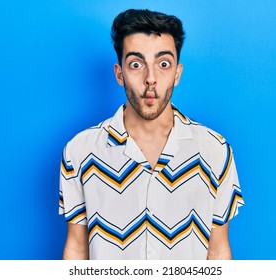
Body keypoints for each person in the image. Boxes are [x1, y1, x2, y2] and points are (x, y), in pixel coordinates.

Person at [59, 8, 244, 260]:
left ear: (177, 73)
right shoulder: (79, 151)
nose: (150, 78)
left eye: (163, 64)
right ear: (119, 73)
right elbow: (77, 248)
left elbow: (218, 249)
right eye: (136, 64)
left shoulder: (215, 150)